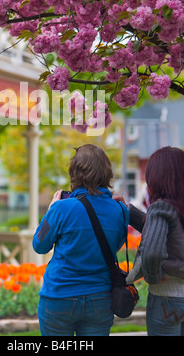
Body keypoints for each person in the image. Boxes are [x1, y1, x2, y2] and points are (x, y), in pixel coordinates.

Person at [32, 144, 129, 336]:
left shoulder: (61, 208)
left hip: (59, 296)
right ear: (106, 172)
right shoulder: (120, 210)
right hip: (100, 298)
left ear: (74, 173)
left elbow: (40, 245)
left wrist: (51, 210)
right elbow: (113, 248)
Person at [126, 146, 184, 336]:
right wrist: (129, 212)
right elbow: (173, 234)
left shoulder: (162, 207)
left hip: (168, 297)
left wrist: (153, 277)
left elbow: (152, 251)